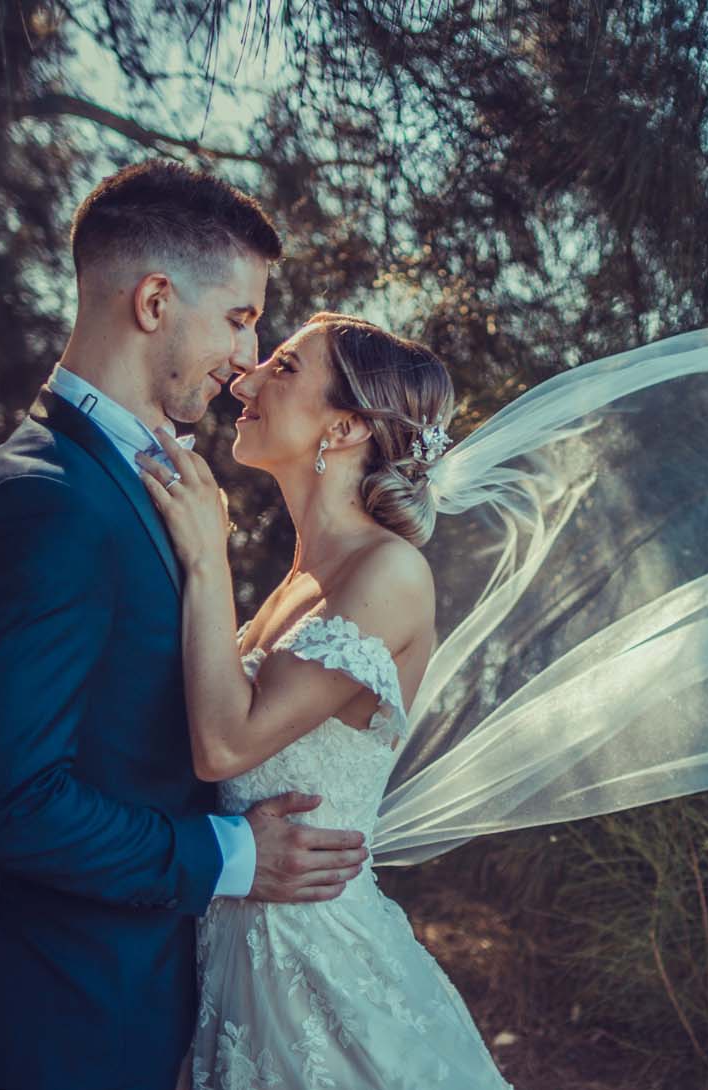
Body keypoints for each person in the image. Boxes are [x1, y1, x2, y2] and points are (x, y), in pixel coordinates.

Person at [0, 160, 373, 1090]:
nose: (249, 355)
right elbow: (3, 805)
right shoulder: (48, 496)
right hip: (65, 1009)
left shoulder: (133, 476)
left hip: (134, 989)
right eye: (238, 316)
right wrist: (234, 855)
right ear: (153, 300)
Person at [136, 312, 510, 1088]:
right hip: (235, 952)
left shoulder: (390, 573)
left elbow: (226, 746)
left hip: (323, 973)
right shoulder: (301, 581)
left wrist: (209, 558)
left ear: (342, 428)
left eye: (283, 367)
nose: (245, 380)